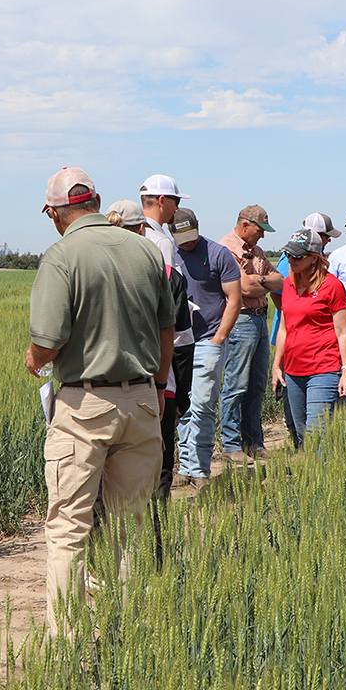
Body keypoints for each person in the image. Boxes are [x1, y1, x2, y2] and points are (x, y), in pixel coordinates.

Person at [26, 167, 175, 634]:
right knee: (131, 526)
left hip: (85, 408)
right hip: (143, 402)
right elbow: (167, 329)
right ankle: (128, 639)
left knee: (69, 530)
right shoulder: (146, 250)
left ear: (56, 211)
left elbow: (47, 340)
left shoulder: (62, 255)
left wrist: (33, 359)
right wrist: (156, 386)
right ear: (95, 201)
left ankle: (68, 644)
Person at [171, 208, 241, 488]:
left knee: (202, 405)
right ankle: (186, 465)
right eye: (181, 238)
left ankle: (199, 470)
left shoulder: (218, 253)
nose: (187, 243)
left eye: (191, 236)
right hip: (177, 343)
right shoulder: (168, 253)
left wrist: (219, 338)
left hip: (208, 340)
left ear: (198, 226)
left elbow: (233, 299)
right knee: (181, 407)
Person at [138, 177, 195, 498]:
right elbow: (171, 313)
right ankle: (156, 537)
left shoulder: (131, 234)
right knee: (160, 461)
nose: (176, 208)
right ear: (162, 200)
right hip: (163, 368)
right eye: (174, 201)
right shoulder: (161, 242)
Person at [270, 228, 346, 448]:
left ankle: (325, 478)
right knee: (300, 432)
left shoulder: (332, 286)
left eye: (298, 256)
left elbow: (343, 331)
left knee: (317, 433)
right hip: (293, 371)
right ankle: (310, 477)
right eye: (289, 254)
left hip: (324, 369)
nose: (291, 259)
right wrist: (277, 365)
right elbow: (284, 329)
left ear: (314, 258)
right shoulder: (288, 284)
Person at [218, 205, 282, 462]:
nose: (263, 236)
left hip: (258, 320)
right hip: (240, 321)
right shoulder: (227, 249)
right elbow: (244, 287)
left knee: (257, 384)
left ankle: (253, 441)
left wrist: (262, 282)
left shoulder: (256, 251)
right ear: (245, 225)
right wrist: (263, 281)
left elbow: (280, 280)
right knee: (236, 384)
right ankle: (231, 444)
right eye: (260, 230)